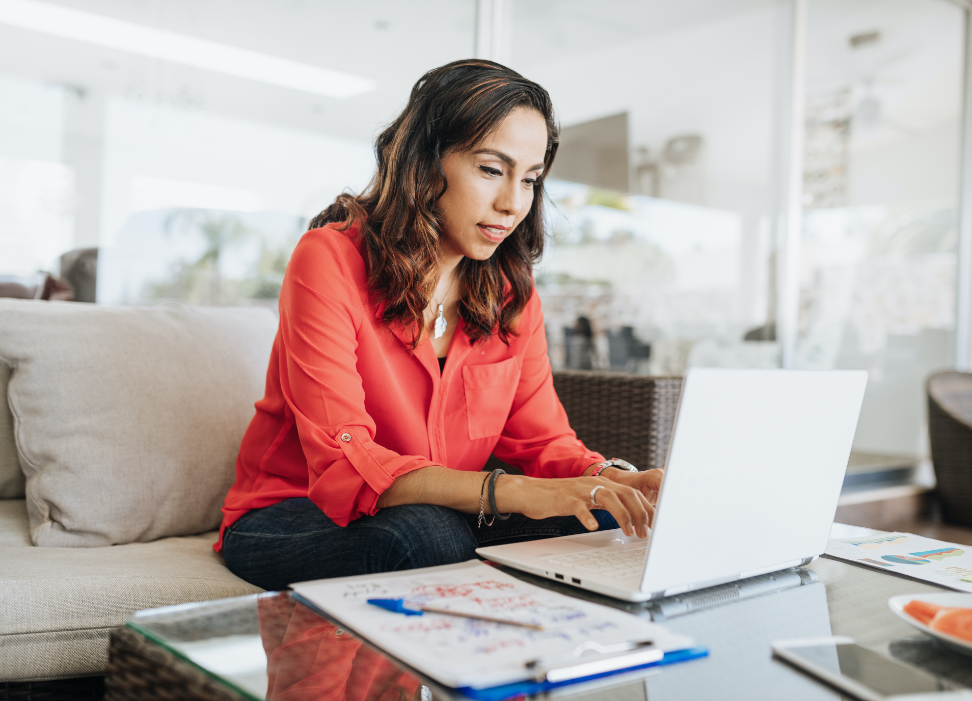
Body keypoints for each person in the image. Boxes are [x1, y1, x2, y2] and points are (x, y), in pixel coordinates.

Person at [217, 59, 664, 591]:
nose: (512, 203)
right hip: (293, 514)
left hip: (447, 512)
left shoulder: (510, 296)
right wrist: (517, 494)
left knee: (609, 517)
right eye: (491, 170)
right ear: (426, 162)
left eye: (530, 180)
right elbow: (345, 463)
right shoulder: (329, 259)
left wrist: (610, 479)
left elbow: (545, 443)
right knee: (428, 536)